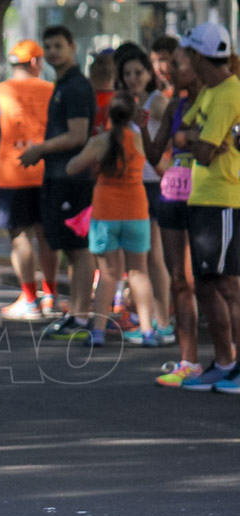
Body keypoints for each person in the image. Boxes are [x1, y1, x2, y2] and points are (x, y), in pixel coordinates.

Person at [21, 25, 97, 341]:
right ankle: (74, 313)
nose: (52, 52)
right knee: (68, 247)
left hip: (73, 178)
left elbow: (78, 135)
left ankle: (81, 317)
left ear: (72, 47)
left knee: (78, 249)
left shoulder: (77, 86)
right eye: (48, 47)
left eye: (58, 46)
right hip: (58, 176)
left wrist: (40, 149)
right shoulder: (63, 84)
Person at [176, 23, 240, 392]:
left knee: (228, 284)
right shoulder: (210, 91)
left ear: (200, 57)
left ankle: (236, 362)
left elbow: (197, 147)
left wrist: (198, 140)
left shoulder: (229, 94)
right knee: (206, 283)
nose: (186, 61)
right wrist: (200, 140)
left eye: (188, 55)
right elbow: (182, 132)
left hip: (224, 198)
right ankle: (224, 361)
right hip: (202, 197)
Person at [67, 92, 158, 347]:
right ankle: (148, 331)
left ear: (109, 115)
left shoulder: (100, 141)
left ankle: (97, 332)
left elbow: (72, 167)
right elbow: (159, 163)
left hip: (106, 213)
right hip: (136, 211)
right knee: (139, 271)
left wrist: (92, 150)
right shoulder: (139, 140)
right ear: (133, 115)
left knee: (107, 274)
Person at [143, 44, 204, 385]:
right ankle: (188, 360)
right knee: (179, 279)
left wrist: (193, 137)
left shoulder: (219, 99)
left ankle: (226, 359)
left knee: (211, 283)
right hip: (174, 192)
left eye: (176, 64)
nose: (168, 70)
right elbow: (155, 154)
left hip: (210, 196)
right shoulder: (174, 105)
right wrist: (144, 129)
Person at [0, 39, 58, 320]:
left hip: (12, 172)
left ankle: (30, 298)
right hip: (47, 170)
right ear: (35, 63)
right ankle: (51, 295)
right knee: (47, 236)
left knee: (20, 235)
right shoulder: (51, 90)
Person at [119, 50, 173, 343]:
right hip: (135, 186)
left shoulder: (158, 101)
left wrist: (170, 165)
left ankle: (162, 323)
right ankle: (152, 321)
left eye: (138, 73)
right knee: (143, 258)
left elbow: (176, 131)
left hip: (155, 185)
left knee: (154, 257)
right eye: (127, 74)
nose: (132, 79)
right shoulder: (131, 105)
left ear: (149, 75)